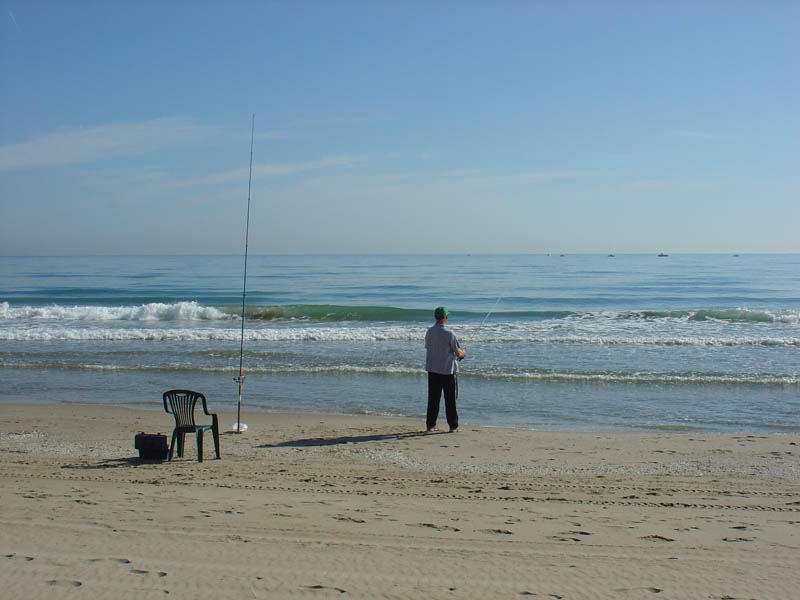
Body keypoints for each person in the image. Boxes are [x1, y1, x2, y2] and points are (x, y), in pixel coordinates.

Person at [424, 306, 466, 433]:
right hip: (447, 371)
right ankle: (453, 426)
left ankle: (430, 425)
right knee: (450, 399)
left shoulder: (429, 331)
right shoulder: (450, 333)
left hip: (432, 369)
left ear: (435, 317)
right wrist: (463, 352)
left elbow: (429, 347)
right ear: (446, 317)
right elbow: (458, 353)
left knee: (433, 399)